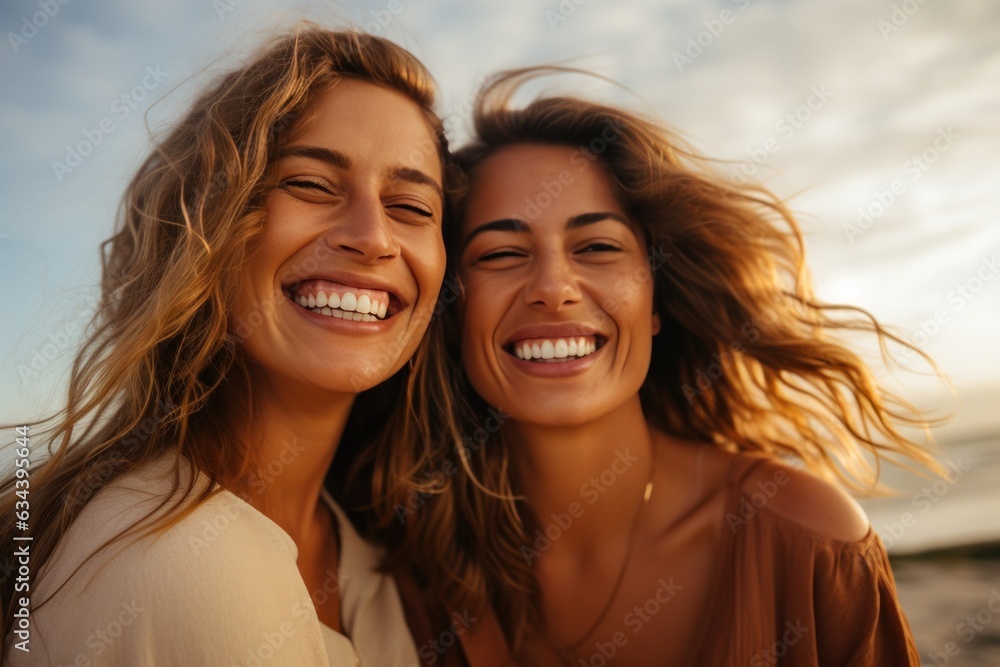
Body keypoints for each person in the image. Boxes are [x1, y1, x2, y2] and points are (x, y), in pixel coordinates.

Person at [372, 69, 946, 666]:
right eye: (501, 254)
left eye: (597, 246)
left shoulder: (805, 540)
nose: (552, 288)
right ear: (451, 305)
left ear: (656, 302)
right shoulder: (406, 567)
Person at [0, 26, 455, 666]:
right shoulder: (174, 565)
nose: (373, 238)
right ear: (211, 219)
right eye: (312, 185)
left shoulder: (376, 556)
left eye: (411, 205)